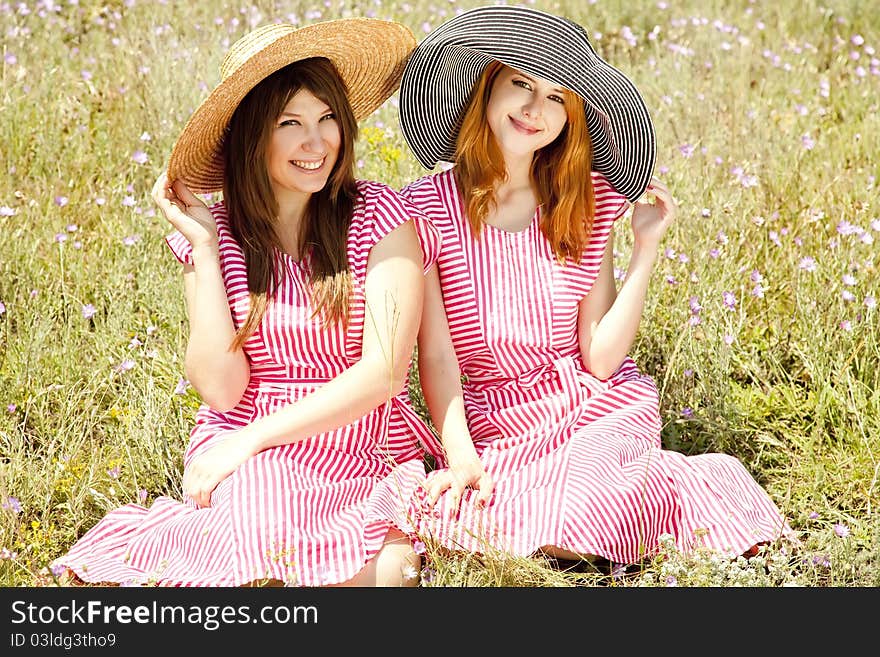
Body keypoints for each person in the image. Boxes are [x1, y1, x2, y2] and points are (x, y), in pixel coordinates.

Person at [398, 5, 793, 566]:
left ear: (572, 117)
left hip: (587, 408)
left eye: (558, 97)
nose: (537, 109)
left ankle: (599, 525)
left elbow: (601, 358)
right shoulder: (427, 208)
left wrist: (646, 248)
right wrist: (460, 456)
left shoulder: (587, 200)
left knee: (595, 496)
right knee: (480, 511)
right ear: (485, 90)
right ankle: (589, 535)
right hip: (494, 422)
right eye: (521, 85)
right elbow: (437, 355)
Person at [51, 19, 441, 587]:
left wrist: (252, 438)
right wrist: (206, 252)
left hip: (356, 437)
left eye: (327, 118)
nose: (317, 142)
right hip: (248, 441)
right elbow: (221, 389)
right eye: (291, 123)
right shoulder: (220, 232)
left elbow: (382, 374)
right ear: (253, 135)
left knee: (385, 574)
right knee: (263, 512)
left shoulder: (380, 216)